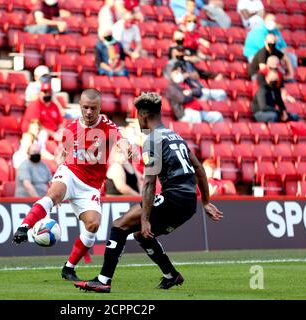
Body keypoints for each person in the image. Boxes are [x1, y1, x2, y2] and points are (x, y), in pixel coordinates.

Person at [74, 92, 223, 293]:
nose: (137, 120)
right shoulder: (175, 136)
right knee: (142, 236)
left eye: (137, 116)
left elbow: (149, 183)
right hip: (189, 203)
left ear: (143, 115)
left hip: (174, 198)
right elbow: (199, 169)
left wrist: (145, 218)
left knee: (119, 226)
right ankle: (171, 275)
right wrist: (205, 201)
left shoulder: (152, 140)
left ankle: (103, 280)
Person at [13, 88, 132, 282]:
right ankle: (24, 227)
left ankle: (69, 268)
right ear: (80, 107)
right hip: (70, 172)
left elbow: (122, 140)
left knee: (93, 225)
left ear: (100, 108)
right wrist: (59, 182)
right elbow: (64, 155)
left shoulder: (108, 126)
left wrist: (125, 147)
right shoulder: (71, 128)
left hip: (91, 185)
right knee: (53, 196)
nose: (89, 112)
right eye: (85, 107)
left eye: (93, 108)